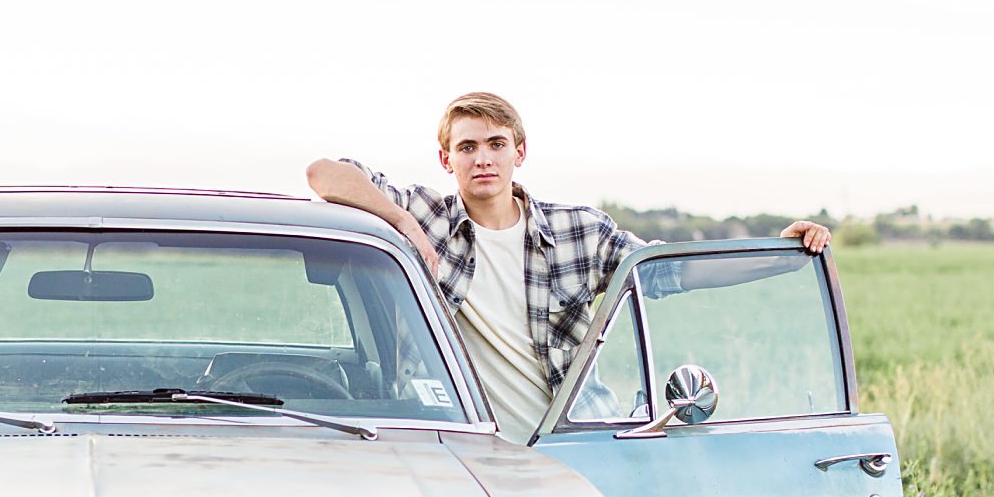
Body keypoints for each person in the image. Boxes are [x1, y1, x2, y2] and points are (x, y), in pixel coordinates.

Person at [306, 91, 832, 442]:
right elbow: (324, 173)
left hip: (573, 444)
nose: (482, 158)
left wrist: (779, 257)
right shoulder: (430, 217)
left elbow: (672, 271)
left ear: (520, 153)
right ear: (447, 160)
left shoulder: (578, 231)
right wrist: (406, 225)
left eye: (496, 144)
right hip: (465, 451)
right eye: (466, 147)